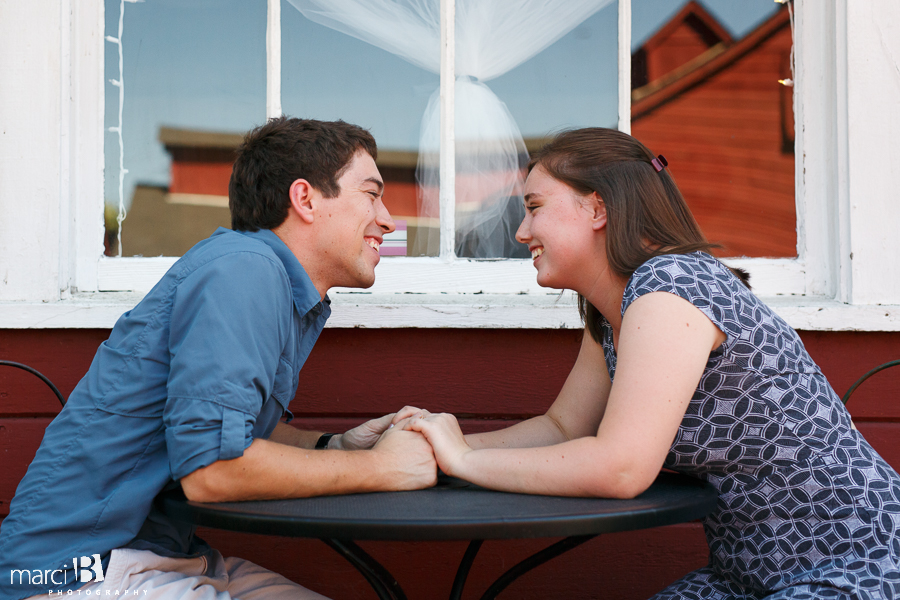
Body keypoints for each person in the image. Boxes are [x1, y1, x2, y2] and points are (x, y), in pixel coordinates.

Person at [406, 128, 900, 598]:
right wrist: (442, 447)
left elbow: (621, 468)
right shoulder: (616, 309)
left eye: (534, 208)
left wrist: (466, 461)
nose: (520, 231)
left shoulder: (670, 288)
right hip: (748, 576)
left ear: (597, 207)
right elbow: (563, 428)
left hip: (855, 565)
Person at [0, 117, 437, 600]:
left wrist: (334, 447)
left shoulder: (266, 277)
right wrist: (385, 469)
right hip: (72, 574)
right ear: (305, 199)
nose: (388, 220)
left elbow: (227, 430)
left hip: (164, 558)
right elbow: (213, 467)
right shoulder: (244, 270)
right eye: (372, 194)